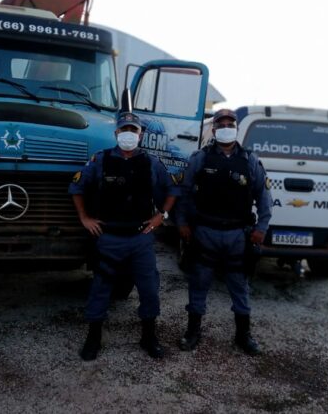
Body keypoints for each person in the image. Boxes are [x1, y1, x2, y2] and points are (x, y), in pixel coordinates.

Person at [70, 111, 177, 361]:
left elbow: (173, 189)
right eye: (124, 130)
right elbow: (76, 187)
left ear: (141, 135)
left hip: (140, 238)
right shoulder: (100, 160)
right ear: (116, 133)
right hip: (108, 237)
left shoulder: (152, 163)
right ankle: (93, 337)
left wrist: (162, 214)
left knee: (149, 289)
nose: (128, 134)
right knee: (101, 289)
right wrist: (85, 218)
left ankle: (149, 336)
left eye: (133, 130)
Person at [176, 108, 272, 355]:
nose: (226, 126)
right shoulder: (200, 157)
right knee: (198, 283)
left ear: (236, 128)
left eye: (231, 123)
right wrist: (183, 223)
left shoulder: (250, 160)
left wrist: (261, 228)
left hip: (238, 235)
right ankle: (193, 332)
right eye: (221, 123)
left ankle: (243, 335)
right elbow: (184, 192)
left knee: (239, 286)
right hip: (204, 232)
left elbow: (263, 196)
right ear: (215, 128)